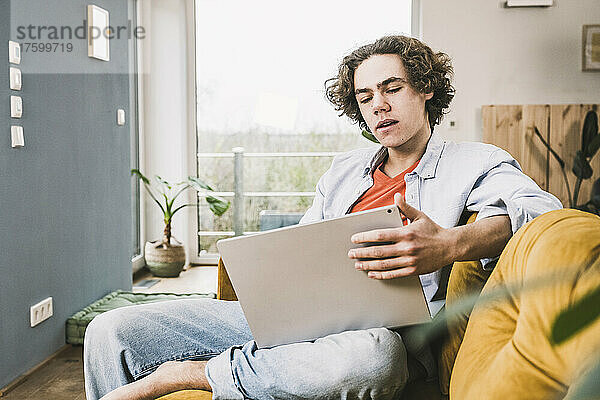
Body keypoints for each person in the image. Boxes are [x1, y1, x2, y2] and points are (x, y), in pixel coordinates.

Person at [84, 35, 562, 400]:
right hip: (296, 322)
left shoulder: (474, 161)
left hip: (381, 337)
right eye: (365, 96)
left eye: (392, 88)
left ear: (426, 89)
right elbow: (304, 246)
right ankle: (255, 363)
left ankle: (191, 374)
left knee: (373, 360)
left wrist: (450, 245)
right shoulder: (345, 170)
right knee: (110, 330)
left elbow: (543, 212)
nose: (379, 104)